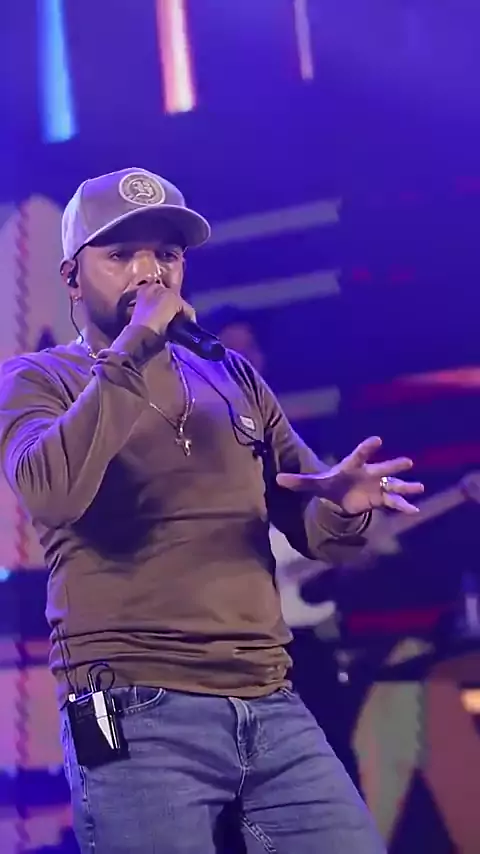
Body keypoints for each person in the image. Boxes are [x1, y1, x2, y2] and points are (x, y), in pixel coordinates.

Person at [0, 167, 424, 854]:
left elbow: (317, 531)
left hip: (269, 699)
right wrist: (136, 345)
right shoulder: (39, 379)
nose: (150, 272)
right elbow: (51, 492)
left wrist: (343, 507)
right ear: (72, 278)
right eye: (122, 255)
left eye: (166, 255)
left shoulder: (231, 377)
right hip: (128, 703)